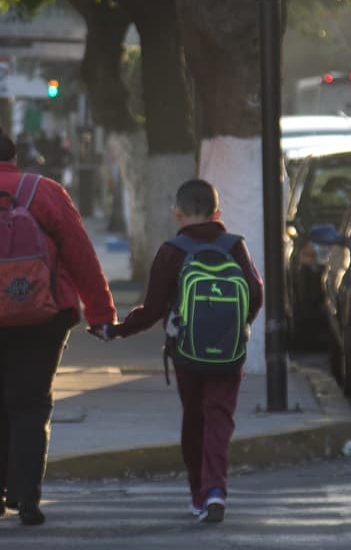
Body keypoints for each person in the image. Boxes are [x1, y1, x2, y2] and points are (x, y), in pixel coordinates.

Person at [0, 121, 116, 526]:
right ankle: (28, 497)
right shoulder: (46, 192)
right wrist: (101, 313)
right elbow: (82, 255)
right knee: (32, 404)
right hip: (43, 317)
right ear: (14, 158)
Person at [109, 179, 263, 523]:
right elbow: (256, 293)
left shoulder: (172, 251)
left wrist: (118, 331)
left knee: (195, 420)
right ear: (217, 212)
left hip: (187, 354)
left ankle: (199, 493)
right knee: (219, 419)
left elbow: (151, 310)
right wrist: (238, 326)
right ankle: (216, 491)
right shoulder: (236, 246)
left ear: (177, 214)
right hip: (229, 352)